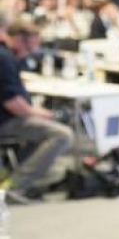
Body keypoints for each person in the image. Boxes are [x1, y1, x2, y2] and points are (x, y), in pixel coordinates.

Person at [0, 16, 74, 205]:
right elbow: (16, 106)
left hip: (9, 117)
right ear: (17, 38)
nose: (32, 50)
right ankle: (16, 186)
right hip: (6, 121)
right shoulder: (4, 58)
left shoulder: (8, 56)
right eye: (30, 46)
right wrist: (49, 114)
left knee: (44, 126)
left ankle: (14, 175)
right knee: (62, 134)